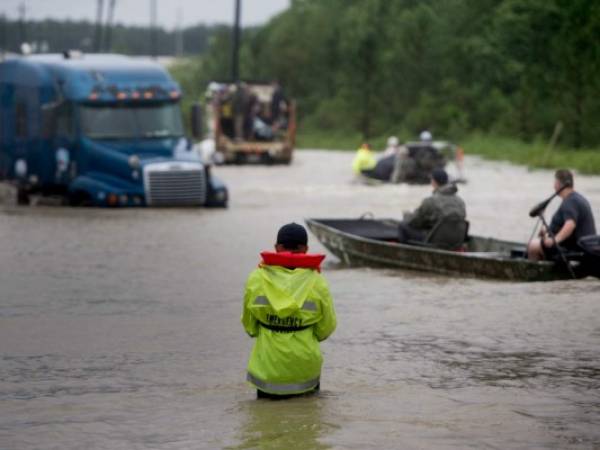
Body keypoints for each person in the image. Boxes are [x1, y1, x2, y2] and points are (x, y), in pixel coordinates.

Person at [242, 223, 337, 399]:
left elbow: (249, 326)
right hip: (305, 367)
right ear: (306, 249)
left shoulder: (256, 278)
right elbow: (326, 328)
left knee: (265, 423)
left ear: (277, 247)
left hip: (268, 368)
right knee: (308, 421)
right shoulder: (318, 282)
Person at [527, 169, 596, 261]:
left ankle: (533, 272)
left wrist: (554, 240)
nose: (553, 186)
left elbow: (570, 224)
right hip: (578, 247)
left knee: (533, 245)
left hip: (575, 250)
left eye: (555, 182)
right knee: (540, 241)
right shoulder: (577, 199)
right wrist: (547, 233)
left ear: (558, 184)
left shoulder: (570, 201)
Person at [398, 168, 466, 243]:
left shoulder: (430, 201)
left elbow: (414, 221)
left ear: (433, 182)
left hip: (436, 241)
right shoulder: (461, 201)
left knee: (402, 226)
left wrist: (406, 215)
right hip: (456, 241)